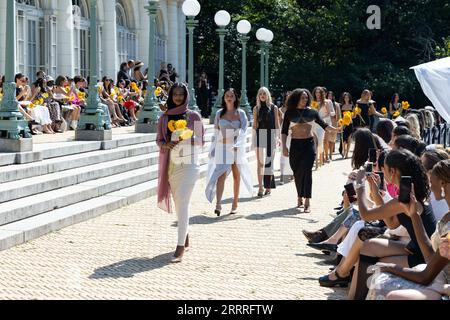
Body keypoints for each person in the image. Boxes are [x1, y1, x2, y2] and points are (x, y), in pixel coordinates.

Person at [367, 159, 450, 300]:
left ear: (443, 184)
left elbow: (425, 276)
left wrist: (388, 267)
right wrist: (414, 215)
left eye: (432, 180)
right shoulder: (447, 216)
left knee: (388, 288)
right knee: (381, 280)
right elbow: (430, 258)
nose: (430, 185)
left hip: (442, 285)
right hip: (437, 278)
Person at [156, 82, 205, 263]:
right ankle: (185, 235)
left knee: (183, 200)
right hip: (172, 165)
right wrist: (166, 144)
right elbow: (159, 140)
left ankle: (179, 247)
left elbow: (201, 140)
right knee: (179, 202)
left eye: (181, 94)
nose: (178, 97)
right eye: (175, 94)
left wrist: (187, 137)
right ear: (170, 96)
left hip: (190, 164)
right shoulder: (164, 117)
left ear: (186, 96)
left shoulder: (194, 116)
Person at [281, 89, 340, 213]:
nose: (305, 100)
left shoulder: (312, 112)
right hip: (295, 145)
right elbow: (284, 131)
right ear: (296, 98)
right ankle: (299, 196)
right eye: (302, 98)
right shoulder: (289, 113)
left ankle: (307, 200)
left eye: (306, 97)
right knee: (297, 172)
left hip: (309, 144)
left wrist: (335, 129)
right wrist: (284, 147)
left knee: (307, 171)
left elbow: (324, 124)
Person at [206, 88, 253, 216]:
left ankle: (235, 203)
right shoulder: (219, 114)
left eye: (231, 95)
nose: (229, 97)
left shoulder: (241, 113)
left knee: (236, 176)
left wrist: (238, 144)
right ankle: (218, 204)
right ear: (224, 98)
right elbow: (215, 133)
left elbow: (244, 130)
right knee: (220, 175)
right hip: (222, 147)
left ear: (235, 98)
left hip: (236, 148)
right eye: (227, 95)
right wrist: (213, 148)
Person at [253, 87, 280, 197]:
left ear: (267, 95)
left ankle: (268, 187)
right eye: (260, 94)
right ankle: (260, 187)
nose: (262, 95)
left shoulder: (274, 108)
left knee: (269, 163)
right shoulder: (256, 109)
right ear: (258, 96)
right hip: (260, 135)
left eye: (264, 93)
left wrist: (278, 138)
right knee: (260, 163)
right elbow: (255, 125)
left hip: (271, 135)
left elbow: (277, 124)